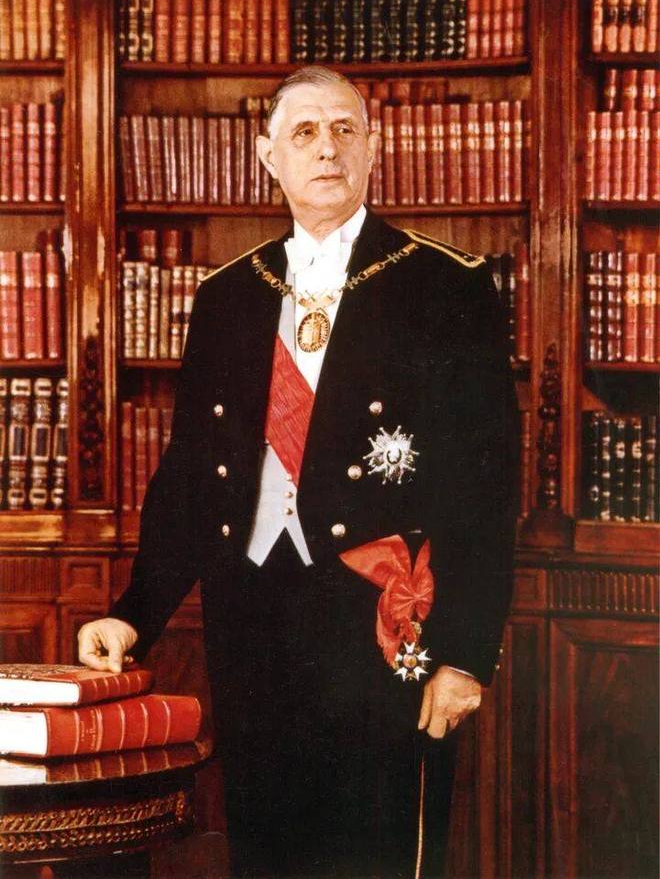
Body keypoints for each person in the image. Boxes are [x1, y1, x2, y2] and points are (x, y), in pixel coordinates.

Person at [79, 66, 518, 879]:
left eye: (345, 130)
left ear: (373, 149)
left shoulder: (445, 284)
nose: (327, 149)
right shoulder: (228, 294)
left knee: (378, 854)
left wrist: (465, 653)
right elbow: (190, 476)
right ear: (267, 156)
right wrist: (135, 613)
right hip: (251, 617)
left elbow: (485, 488)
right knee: (267, 851)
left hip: (376, 623)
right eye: (305, 132)